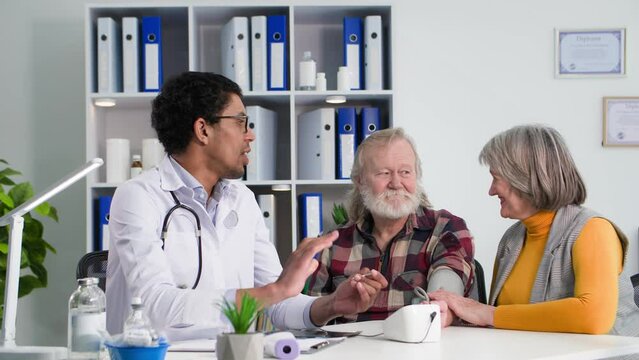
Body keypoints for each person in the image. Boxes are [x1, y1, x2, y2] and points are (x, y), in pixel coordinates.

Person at [106, 71, 388, 339]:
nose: (250, 135)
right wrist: (274, 290)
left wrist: (332, 305)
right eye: (241, 122)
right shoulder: (138, 196)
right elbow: (153, 308)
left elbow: (276, 305)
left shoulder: (241, 200)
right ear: (203, 130)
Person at [429, 124, 639, 335]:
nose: (491, 191)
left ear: (523, 177)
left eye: (496, 178)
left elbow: (594, 318)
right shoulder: (511, 240)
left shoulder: (593, 229)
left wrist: (488, 313)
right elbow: (500, 323)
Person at [307, 128, 475, 324]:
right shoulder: (333, 242)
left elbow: (447, 284)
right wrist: (335, 303)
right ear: (360, 181)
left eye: (405, 172)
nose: (396, 183)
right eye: (384, 173)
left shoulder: (445, 228)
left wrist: (438, 307)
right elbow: (310, 318)